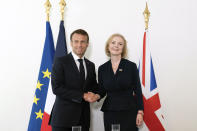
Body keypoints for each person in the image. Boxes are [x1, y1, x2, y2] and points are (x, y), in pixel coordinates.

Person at [49, 29, 100, 131]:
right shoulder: (60, 62)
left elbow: (93, 86)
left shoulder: (90, 65)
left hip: (83, 120)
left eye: (83, 42)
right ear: (71, 43)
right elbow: (57, 88)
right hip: (63, 120)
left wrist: (97, 95)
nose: (79, 45)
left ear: (87, 44)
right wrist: (82, 95)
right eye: (76, 41)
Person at [98, 34, 144, 131]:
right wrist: (94, 96)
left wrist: (140, 112)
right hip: (110, 111)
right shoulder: (102, 68)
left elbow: (138, 90)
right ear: (108, 46)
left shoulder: (131, 66)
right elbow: (101, 90)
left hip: (129, 110)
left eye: (120, 44)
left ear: (123, 48)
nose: (116, 46)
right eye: (113, 42)